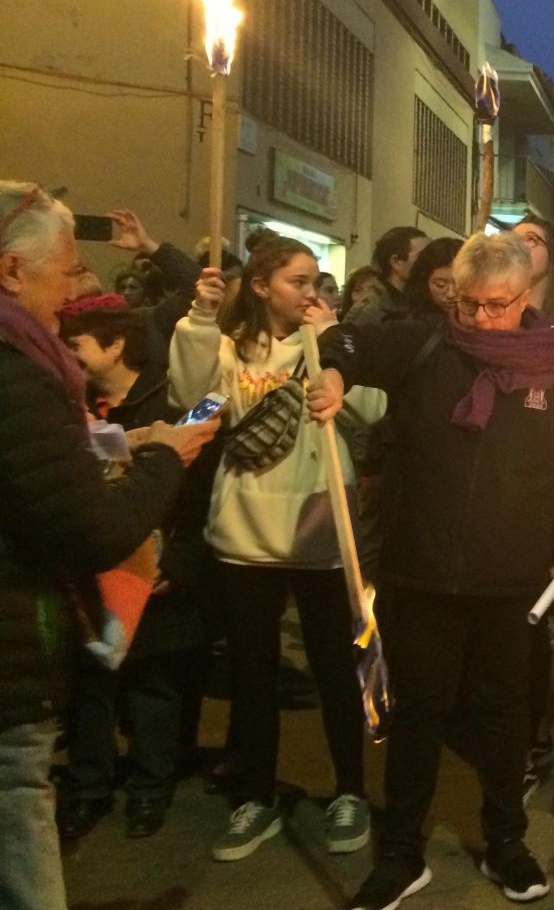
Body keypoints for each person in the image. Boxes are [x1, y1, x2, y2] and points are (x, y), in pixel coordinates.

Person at [316, 232, 554, 910]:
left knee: (505, 716)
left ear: (525, 295)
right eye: (471, 305)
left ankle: (505, 841)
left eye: (498, 306)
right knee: (416, 714)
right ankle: (400, 852)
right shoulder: (427, 345)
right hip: (420, 570)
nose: (482, 320)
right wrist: (334, 373)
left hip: (514, 579)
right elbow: (350, 342)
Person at [1, 181, 218, 910]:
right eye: (62, 274)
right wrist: (163, 460)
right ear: (10, 270)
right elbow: (91, 526)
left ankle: (141, 787)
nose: (65, 300)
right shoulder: (16, 372)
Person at [169, 238, 384, 863]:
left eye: (316, 280)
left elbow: (372, 411)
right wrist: (199, 321)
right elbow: (193, 404)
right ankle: (256, 796)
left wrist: (336, 347)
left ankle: (350, 792)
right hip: (244, 538)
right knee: (252, 676)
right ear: (261, 287)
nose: (311, 291)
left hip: (320, 532)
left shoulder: (328, 339)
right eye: (297, 281)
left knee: (335, 672)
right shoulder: (234, 349)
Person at [56, 310, 213, 841]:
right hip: (93, 568)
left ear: (116, 345)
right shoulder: (68, 406)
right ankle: (87, 790)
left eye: (75, 342)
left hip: (156, 573)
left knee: (153, 691)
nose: (66, 351)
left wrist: (180, 563)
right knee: (92, 690)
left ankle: (150, 789)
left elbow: (197, 498)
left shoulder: (172, 406)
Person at [347, 226, 427, 326]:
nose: (430, 261)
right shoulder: (370, 311)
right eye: (422, 256)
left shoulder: (416, 302)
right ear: (396, 262)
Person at [401, 237, 462, 320]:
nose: (451, 294)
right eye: (440, 285)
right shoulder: (406, 322)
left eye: (460, 285)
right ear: (424, 282)